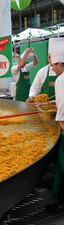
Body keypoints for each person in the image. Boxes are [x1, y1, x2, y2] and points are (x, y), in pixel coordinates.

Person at [46, 38, 64, 213]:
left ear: (59, 62)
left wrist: (60, 122)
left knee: (63, 165)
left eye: (53, 64)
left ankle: (60, 202)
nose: (52, 67)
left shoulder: (61, 79)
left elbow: (63, 106)